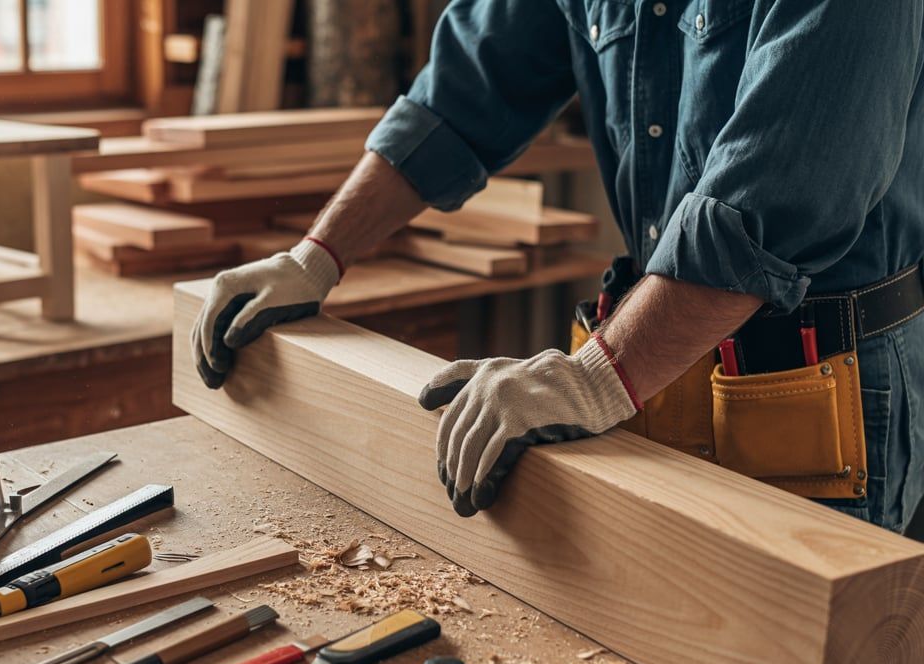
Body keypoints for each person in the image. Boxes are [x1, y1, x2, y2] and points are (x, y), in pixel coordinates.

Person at [192, 0, 924, 533]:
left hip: (815, 373)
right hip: (654, 356)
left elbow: (785, 182)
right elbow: (465, 89)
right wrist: (316, 256)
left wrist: (597, 378)